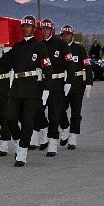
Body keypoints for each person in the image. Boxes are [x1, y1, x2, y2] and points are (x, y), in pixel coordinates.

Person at [0, 15, 52, 167]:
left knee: (28, 120)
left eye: (28, 26)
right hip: (17, 86)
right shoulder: (17, 46)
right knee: (10, 117)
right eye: (23, 26)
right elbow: (3, 66)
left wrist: (47, 88)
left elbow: (47, 67)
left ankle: (22, 152)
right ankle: (19, 140)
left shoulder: (40, 46)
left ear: (34, 29)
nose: (25, 29)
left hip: (33, 87)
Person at [35, 18, 74, 156]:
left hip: (57, 83)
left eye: (46, 29)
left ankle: (52, 142)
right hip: (42, 83)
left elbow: (70, 64)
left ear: (52, 30)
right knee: (37, 110)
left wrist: (69, 81)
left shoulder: (61, 44)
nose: (44, 31)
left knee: (54, 113)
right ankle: (44, 130)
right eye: (42, 29)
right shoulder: (38, 45)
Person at [59, 24, 93, 150]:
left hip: (77, 83)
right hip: (62, 83)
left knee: (76, 112)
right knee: (60, 109)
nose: (65, 36)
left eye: (68, 34)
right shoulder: (59, 48)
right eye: (63, 34)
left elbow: (87, 65)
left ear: (72, 35)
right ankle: (65, 128)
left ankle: (73, 135)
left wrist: (89, 82)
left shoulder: (79, 49)